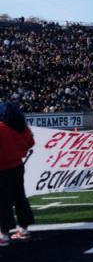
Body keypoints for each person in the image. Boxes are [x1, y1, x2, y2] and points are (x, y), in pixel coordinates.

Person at [0, 102, 36, 245]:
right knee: (20, 197)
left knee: (3, 201)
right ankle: (24, 229)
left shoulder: (1, 128)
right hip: (17, 166)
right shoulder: (22, 127)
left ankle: (4, 234)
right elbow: (31, 142)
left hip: (2, 169)